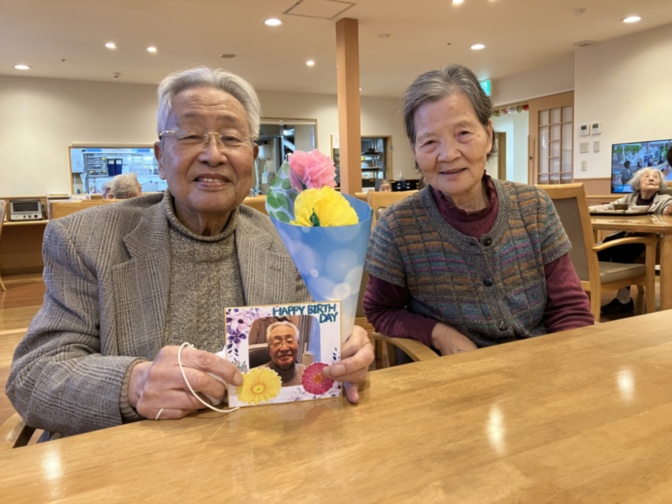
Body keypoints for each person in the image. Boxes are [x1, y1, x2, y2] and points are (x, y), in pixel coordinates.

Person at [6, 66, 373, 440]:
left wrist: (345, 351)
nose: (213, 154)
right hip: (130, 456)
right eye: (191, 135)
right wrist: (133, 384)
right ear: (160, 157)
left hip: (257, 448)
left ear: (252, 156)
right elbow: (33, 376)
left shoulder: (289, 240)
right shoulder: (84, 239)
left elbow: (313, 349)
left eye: (231, 138)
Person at [363, 64, 594, 357]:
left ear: (488, 135)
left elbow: (570, 308)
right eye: (430, 141)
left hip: (539, 365)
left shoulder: (534, 206)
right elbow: (381, 310)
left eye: (463, 133)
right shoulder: (397, 226)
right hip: (453, 374)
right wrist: (438, 333)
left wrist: (571, 366)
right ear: (414, 150)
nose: (448, 154)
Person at [591, 167, 672, 314]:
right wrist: (585, 207)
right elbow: (608, 207)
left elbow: (668, 210)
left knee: (622, 249)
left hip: (649, 240)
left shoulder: (664, 199)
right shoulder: (629, 198)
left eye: (656, 177)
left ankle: (623, 299)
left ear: (660, 184)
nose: (651, 178)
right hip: (624, 237)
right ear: (637, 183)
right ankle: (593, 293)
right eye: (646, 176)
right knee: (600, 249)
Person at [261, 321, 305, 386]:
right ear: (269, 349)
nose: (284, 348)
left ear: (298, 345)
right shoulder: (254, 376)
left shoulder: (306, 373)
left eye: (289, 341)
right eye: (277, 342)